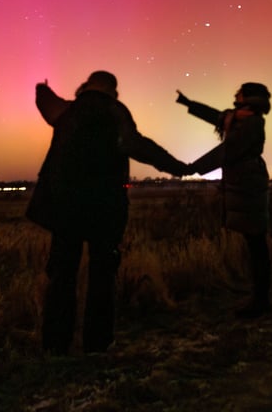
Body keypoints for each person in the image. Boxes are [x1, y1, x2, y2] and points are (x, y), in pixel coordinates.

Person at [27, 71, 188, 354]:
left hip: (65, 208)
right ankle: (98, 343)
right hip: (105, 209)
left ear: (88, 85)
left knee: (62, 274)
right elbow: (138, 145)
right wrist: (177, 167)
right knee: (102, 275)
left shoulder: (67, 111)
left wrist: (42, 87)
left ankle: (55, 345)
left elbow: (45, 102)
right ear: (113, 90)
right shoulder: (115, 111)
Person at [176, 83, 272, 318]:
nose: (235, 94)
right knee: (255, 242)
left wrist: (192, 168)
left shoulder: (251, 123)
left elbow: (228, 150)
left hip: (248, 184)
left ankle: (261, 301)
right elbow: (216, 116)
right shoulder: (238, 118)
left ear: (248, 97)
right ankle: (260, 298)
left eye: (239, 92)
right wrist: (189, 104)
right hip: (244, 182)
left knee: (256, 243)